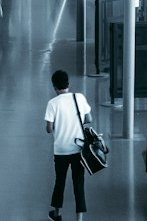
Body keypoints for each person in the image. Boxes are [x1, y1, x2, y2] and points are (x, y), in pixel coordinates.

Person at [45, 69, 90, 221]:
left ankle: (57, 214)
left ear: (54, 87)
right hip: (78, 149)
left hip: (61, 150)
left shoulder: (52, 103)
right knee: (78, 183)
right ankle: (79, 218)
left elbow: (49, 128)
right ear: (68, 84)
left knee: (60, 181)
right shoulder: (79, 98)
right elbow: (88, 118)